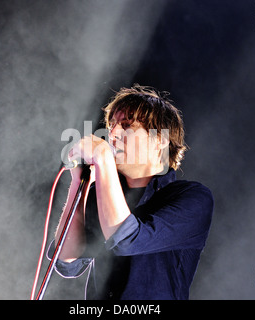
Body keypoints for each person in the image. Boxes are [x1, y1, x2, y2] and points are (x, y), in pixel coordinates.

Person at [50, 85, 213, 300]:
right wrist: (78, 183)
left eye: (126, 126)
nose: (112, 134)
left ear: (160, 140)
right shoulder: (103, 195)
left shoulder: (191, 198)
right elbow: (65, 260)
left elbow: (127, 240)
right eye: (111, 126)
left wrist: (102, 157)